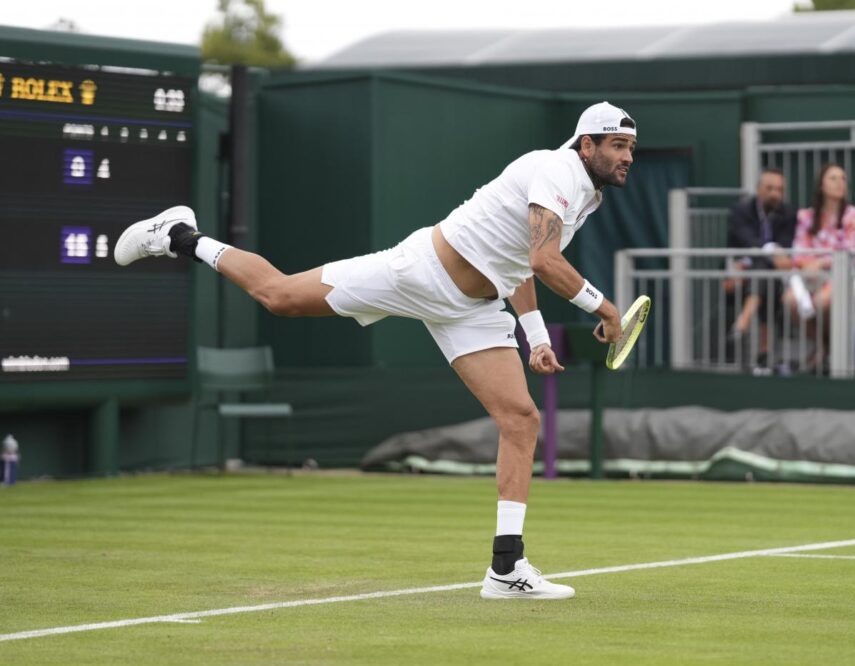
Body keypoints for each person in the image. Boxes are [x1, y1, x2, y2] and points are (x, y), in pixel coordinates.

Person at [114, 102, 637, 600]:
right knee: (280, 297)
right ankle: (180, 235)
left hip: (474, 310)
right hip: (421, 272)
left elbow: (521, 263)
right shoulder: (557, 168)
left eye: (631, 148)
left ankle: (506, 568)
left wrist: (537, 337)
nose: (627, 157)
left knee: (521, 419)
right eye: (617, 145)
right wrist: (605, 309)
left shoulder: (585, 195)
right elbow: (544, 260)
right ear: (586, 144)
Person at [785, 163, 855, 369]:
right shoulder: (806, 216)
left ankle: (831, 350)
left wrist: (819, 262)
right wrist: (808, 265)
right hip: (808, 276)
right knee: (791, 301)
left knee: (822, 302)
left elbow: (852, 253)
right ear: (821, 185)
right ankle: (823, 345)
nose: (840, 183)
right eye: (833, 178)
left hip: (838, 276)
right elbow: (799, 250)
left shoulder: (854, 216)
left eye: (843, 179)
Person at [726, 168, 796, 364]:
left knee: (765, 273)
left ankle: (743, 322)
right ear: (758, 189)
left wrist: (773, 255)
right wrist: (771, 251)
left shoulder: (788, 213)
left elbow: (787, 243)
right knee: (763, 268)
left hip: (775, 273)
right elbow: (746, 240)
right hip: (741, 267)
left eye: (780, 189)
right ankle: (763, 350)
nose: (775, 194)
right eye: (770, 188)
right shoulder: (740, 211)